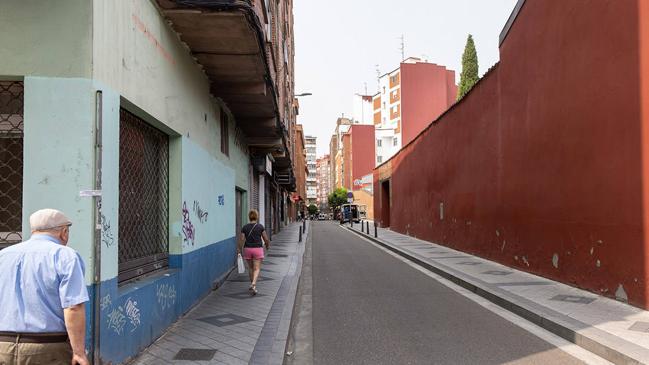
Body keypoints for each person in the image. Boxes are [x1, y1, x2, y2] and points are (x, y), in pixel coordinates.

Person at [0, 209, 89, 365]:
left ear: (34, 231)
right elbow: (73, 308)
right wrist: (79, 353)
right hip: (48, 349)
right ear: (64, 232)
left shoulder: (4, 255)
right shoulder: (66, 256)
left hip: (3, 346)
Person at [237, 209, 271, 295]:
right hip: (257, 249)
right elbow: (266, 239)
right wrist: (267, 246)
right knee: (257, 268)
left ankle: (253, 287)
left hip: (247, 249)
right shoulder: (260, 227)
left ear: (249, 217)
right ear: (257, 216)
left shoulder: (245, 227)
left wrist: (239, 249)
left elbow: (241, 240)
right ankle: (253, 283)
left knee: (251, 268)